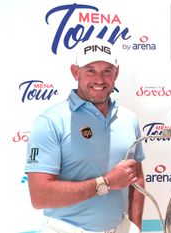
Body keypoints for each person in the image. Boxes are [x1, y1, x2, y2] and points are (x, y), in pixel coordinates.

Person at [25, 40, 145, 233]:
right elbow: (40, 196)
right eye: (90, 70)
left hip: (120, 228)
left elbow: (136, 178)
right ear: (75, 72)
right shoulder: (50, 121)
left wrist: (136, 227)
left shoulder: (128, 118)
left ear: (116, 73)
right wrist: (104, 183)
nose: (99, 79)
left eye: (107, 70)